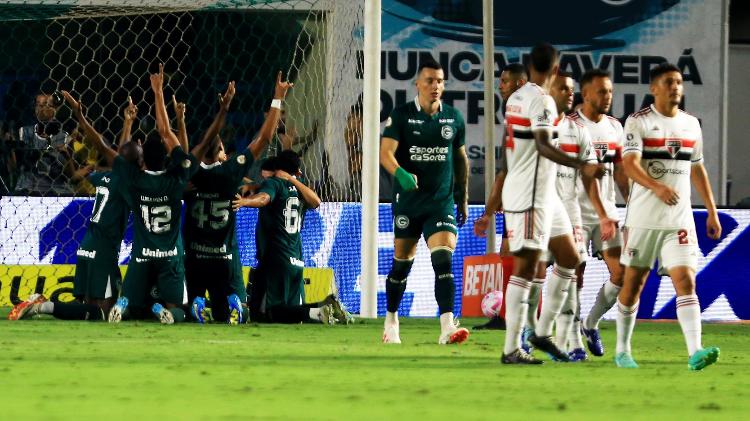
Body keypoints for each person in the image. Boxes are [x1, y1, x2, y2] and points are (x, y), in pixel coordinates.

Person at [496, 43, 604, 364]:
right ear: (555, 70)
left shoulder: (517, 97)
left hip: (546, 195)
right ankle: (511, 347)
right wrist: (579, 165)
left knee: (569, 257)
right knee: (526, 269)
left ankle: (542, 333)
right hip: (529, 195)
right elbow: (543, 145)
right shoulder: (540, 100)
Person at [615, 63, 721, 370]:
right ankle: (622, 350)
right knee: (633, 283)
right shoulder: (638, 122)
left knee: (685, 280)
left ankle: (694, 352)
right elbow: (629, 163)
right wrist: (655, 186)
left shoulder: (691, 124)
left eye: (678, 82)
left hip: (679, 219)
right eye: (668, 82)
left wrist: (711, 211)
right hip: (643, 218)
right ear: (654, 88)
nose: (675, 86)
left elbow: (697, 167)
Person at [7, 96, 139, 321]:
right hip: (104, 252)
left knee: (86, 306)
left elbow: (113, 154)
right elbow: (114, 155)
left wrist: (127, 123)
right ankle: (43, 306)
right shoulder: (129, 183)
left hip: (87, 245)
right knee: (102, 313)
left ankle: (41, 301)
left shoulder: (105, 178)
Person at [106, 64, 210, 324]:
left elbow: (122, 155)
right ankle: (166, 313)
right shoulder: (176, 180)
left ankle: (123, 305)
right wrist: (165, 101)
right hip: (170, 257)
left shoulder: (135, 180)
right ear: (166, 158)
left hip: (141, 255)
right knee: (180, 307)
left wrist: (153, 96)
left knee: (132, 302)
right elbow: (170, 138)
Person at [185, 73, 292, 324]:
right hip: (225, 258)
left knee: (192, 306)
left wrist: (220, 112)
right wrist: (277, 98)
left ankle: (197, 302)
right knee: (228, 316)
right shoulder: (231, 171)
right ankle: (237, 304)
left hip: (197, 257)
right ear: (220, 152)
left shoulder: (191, 174)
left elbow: (183, 146)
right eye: (223, 149)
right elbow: (264, 139)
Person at [527, 72, 616, 361]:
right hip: (538, 209)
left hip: (570, 213)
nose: (569, 93)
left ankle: (573, 339)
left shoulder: (577, 130)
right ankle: (528, 332)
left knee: (572, 273)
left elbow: (590, 177)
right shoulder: (534, 125)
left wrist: (603, 214)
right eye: (563, 88)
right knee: (535, 274)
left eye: (571, 89)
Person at [380, 59, 470, 345]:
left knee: (443, 259)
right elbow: (385, 154)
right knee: (400, 267)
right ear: (417, 84)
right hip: (408, 203)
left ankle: (446, 326)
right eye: (430, 80)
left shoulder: (453, 118)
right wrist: (400, 173)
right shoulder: (402, 115)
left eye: (440, 81)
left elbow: (460, 158)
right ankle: (391, 320)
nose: (436, 86)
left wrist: (462, 198)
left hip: (440, 203)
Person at [232, 150, 339, 324]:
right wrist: (289, 180)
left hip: (276, 258)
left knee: (270, 313)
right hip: (296, 258)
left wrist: (246, 201)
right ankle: (322, 306)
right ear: (297, 172)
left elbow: (264, 198)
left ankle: (317, 312)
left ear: (276, 169)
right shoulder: (300, 188)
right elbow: (316, 202)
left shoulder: (274, 184)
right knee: (291, 313)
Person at [566, 69, 631, 357]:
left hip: (608, 213)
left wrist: (631, 204)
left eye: (610, 92)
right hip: (576, 214)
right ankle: (572, 339)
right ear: (586, 94)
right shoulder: (568, 126)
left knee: (622, 273)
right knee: (574, 276)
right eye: (602, 92)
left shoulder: (616, 128)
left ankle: (590, 323)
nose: (607, 97)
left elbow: (619, 173)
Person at [474, 63, 528, 256]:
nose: (500, 86)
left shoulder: (530, 113)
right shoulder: (513, 114)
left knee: (526, 263)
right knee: (508, 254)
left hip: (533, 199)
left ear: (520, 84)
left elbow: (507, 170)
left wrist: (488, 213)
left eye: (505, 81)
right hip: (518, 197)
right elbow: (506, 169)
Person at [13, 92, 75, 196]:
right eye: (39, 105)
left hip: (56, 190)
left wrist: (66, 155)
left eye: (47, 105)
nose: (42, 108)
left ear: (55, 109)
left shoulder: (64, 137)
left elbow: (71, 175)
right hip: (28, 188)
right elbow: (15, 167)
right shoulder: (24, 133)